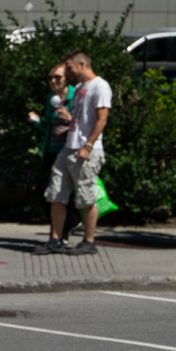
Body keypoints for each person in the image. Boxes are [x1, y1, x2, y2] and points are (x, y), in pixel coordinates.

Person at [44, 50, 111, 254]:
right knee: (56, 192)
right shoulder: (81, 87)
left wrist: (88, 146)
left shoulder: (100, 86)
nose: (68, 72)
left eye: (70, 68)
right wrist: (68, 118)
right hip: (69, 148)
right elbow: (80, 118)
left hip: (86, 150)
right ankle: (56, 238)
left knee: (86, 197)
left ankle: (89, 241)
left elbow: (101, 120)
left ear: (81, 64)